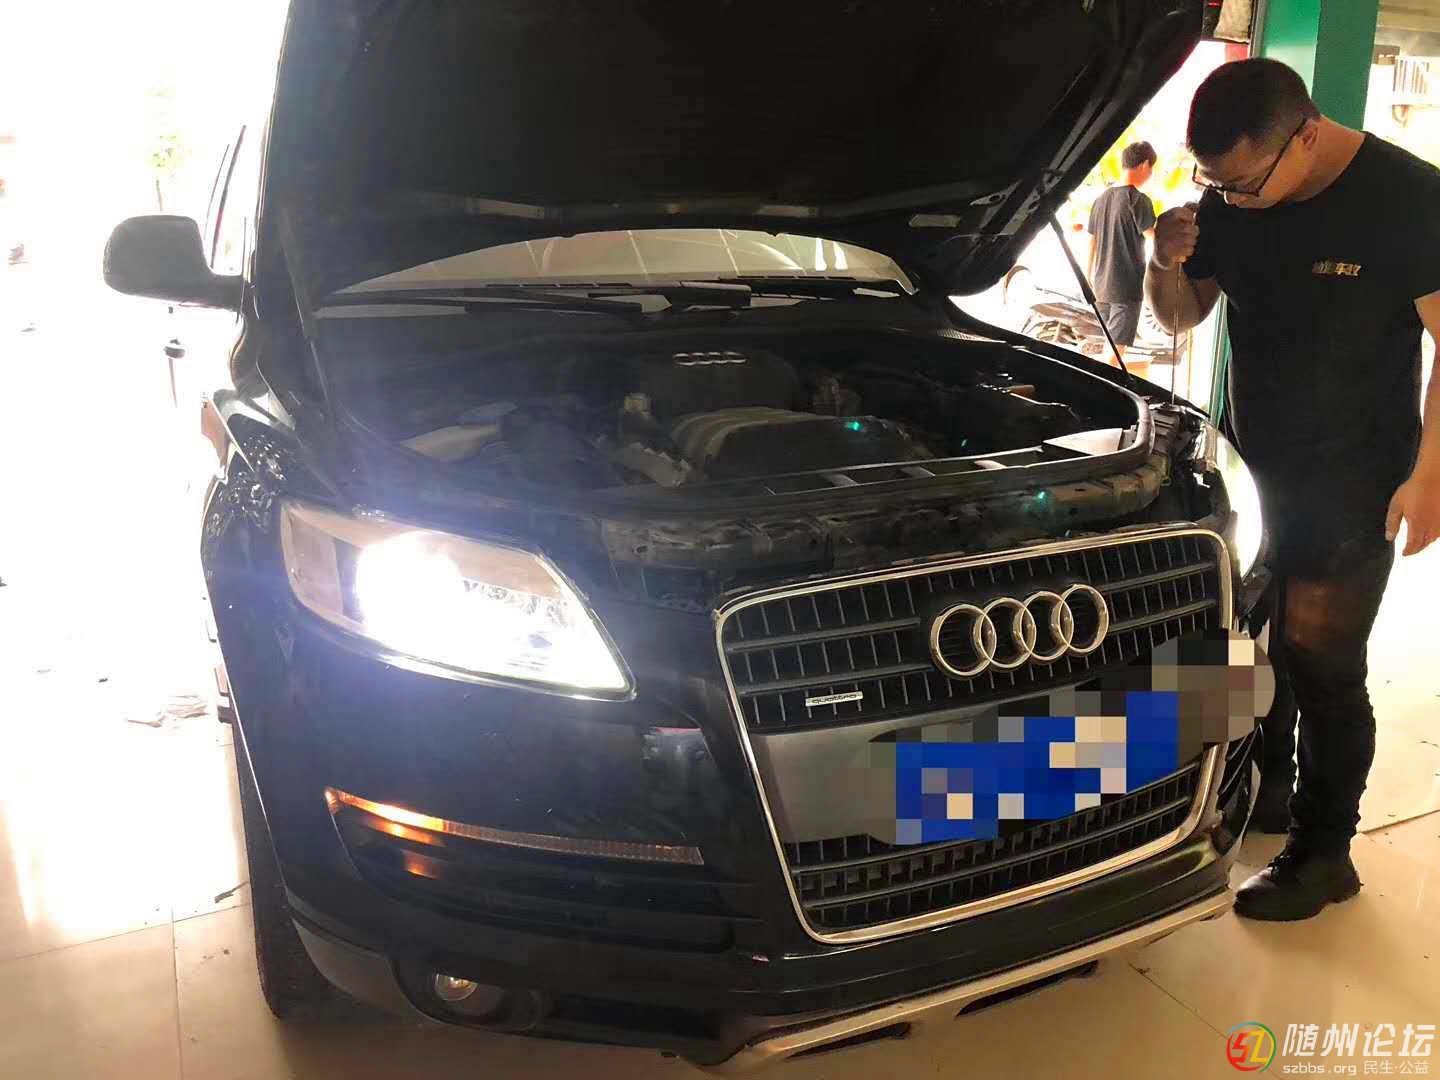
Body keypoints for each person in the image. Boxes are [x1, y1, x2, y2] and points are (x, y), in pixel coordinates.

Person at [1146, 58, 1440, 921]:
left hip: (1356, 477)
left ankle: (1323, 852)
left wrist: (1431, 475)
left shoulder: (1409, 198)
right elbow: (1180, 315)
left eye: (1243, 183)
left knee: (1322, 664)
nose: (1229, 200)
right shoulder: (1229, 203)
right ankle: (1263, 790)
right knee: (1245, 645)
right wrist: (1162, 260)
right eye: (1214, 184)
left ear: (1305, 136)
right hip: (1250, 469)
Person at [1087, 141, 1158, 362]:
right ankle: (1103, 385)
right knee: (1115, 354)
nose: (1151, 174)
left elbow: (1091, 243)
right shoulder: (1138, 200)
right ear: (1144, 164)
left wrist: (1089, 277)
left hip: (1100, 285)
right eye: (1152, 168)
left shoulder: (1100, 200)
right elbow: (1155, 240)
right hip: (1125, 288)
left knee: (1109, 346)